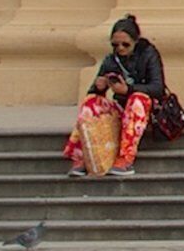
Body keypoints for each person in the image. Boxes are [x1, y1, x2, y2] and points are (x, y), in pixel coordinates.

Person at [63, 15, 174, 178]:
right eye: (115, 45)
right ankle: (81, 157)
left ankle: (125, 159)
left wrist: (128, 89)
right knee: (91, 102)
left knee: (137, 99)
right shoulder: (111, 60)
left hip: (147, 111)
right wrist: (99, 88)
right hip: (122, 108)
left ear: (136, 41)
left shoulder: (149, 54)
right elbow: (93, 94)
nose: (120, 48)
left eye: (125, 44)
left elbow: (158, 88)